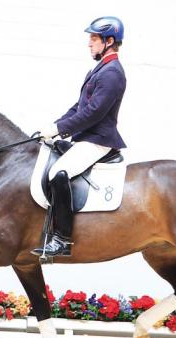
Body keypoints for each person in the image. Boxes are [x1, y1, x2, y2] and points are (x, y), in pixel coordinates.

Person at [31, 16, 127, 258]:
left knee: (58, 173)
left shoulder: (112, 73)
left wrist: (61, 129)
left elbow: (94, 113)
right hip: (85, 137)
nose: (89, 43)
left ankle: (62, 239)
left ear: (109, 41)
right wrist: (53, 126)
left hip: (98, 140)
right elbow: (79, 107)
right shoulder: (99, 69)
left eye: (94, 39)